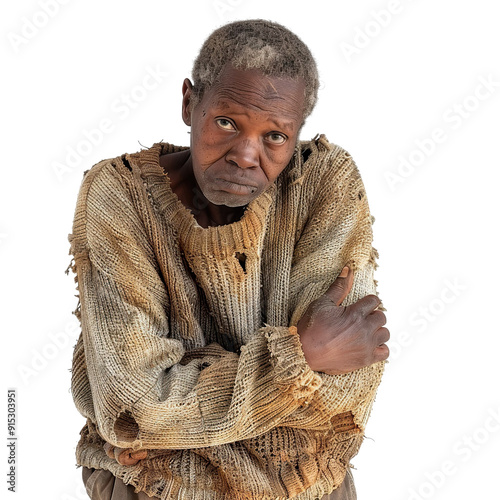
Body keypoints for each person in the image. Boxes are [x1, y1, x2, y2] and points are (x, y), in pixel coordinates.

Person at [66, 19, 389, 500]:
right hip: (160, 490)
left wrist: (171, 425)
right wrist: (301, 356)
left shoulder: (324, 182)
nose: (245, 154)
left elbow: (342, 400)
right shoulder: (119, 195)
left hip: (304, 489)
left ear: (297, 133)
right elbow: (131, 405)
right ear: (188, 103)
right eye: (226, 122)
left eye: (275, 136)